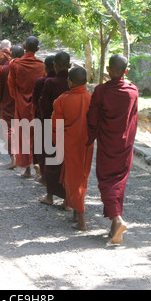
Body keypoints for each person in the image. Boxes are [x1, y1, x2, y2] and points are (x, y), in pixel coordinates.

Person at [86, 54, 138, 244]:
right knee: (119, 183)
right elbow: (133, 119)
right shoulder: (133, 91)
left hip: (107, 143)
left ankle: (117, 219)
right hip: (125, 146)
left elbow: (92, 118)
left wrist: (89, 137)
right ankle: (114, 229)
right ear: (126, 71)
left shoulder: (100, 91)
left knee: (107, 181)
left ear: (108, 70)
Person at [52, 66, 94, 231]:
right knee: (82, 176)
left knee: (73, 178)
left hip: (70, 144)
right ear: (85, 81)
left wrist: (58, 144)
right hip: (87, 144)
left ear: (70, 81)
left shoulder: (62, 100)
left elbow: (56, 126)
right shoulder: (92, 98)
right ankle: (76, 213)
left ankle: (82, 218)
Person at [8, 36, 46, 177]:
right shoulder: (42, 66)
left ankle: (27, 169)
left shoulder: (15, 64)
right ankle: (39, 169)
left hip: (21, 106)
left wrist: (18, 98)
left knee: (23, 136)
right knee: (37, 136)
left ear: (24, 46)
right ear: (37, 49)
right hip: (36, 107)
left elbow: (11, 85)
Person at [38, 51, 71, 206]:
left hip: (52, 126)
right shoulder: (74, 82)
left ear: (55, 66)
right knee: (67, 164)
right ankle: (67, 199)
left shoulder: (50, 83)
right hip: (71, 129)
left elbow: (43, 106)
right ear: (70, 66)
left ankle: (50, 196)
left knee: (52, 162)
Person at [0, 44, 25, 168]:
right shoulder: (29, 67)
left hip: (8, 103)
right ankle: (24, 160)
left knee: (8, 130)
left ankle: (13, 158)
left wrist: (1, 102)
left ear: (11, 54)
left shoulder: (3, 69)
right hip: (24, 103)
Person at [30, 55, 56, 183]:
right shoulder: (66, 82)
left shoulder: (41, 81)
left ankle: (44, 176)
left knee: (42, 151)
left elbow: (34, 102)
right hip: (59, 123)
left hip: (42, 119)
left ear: (45, 67)